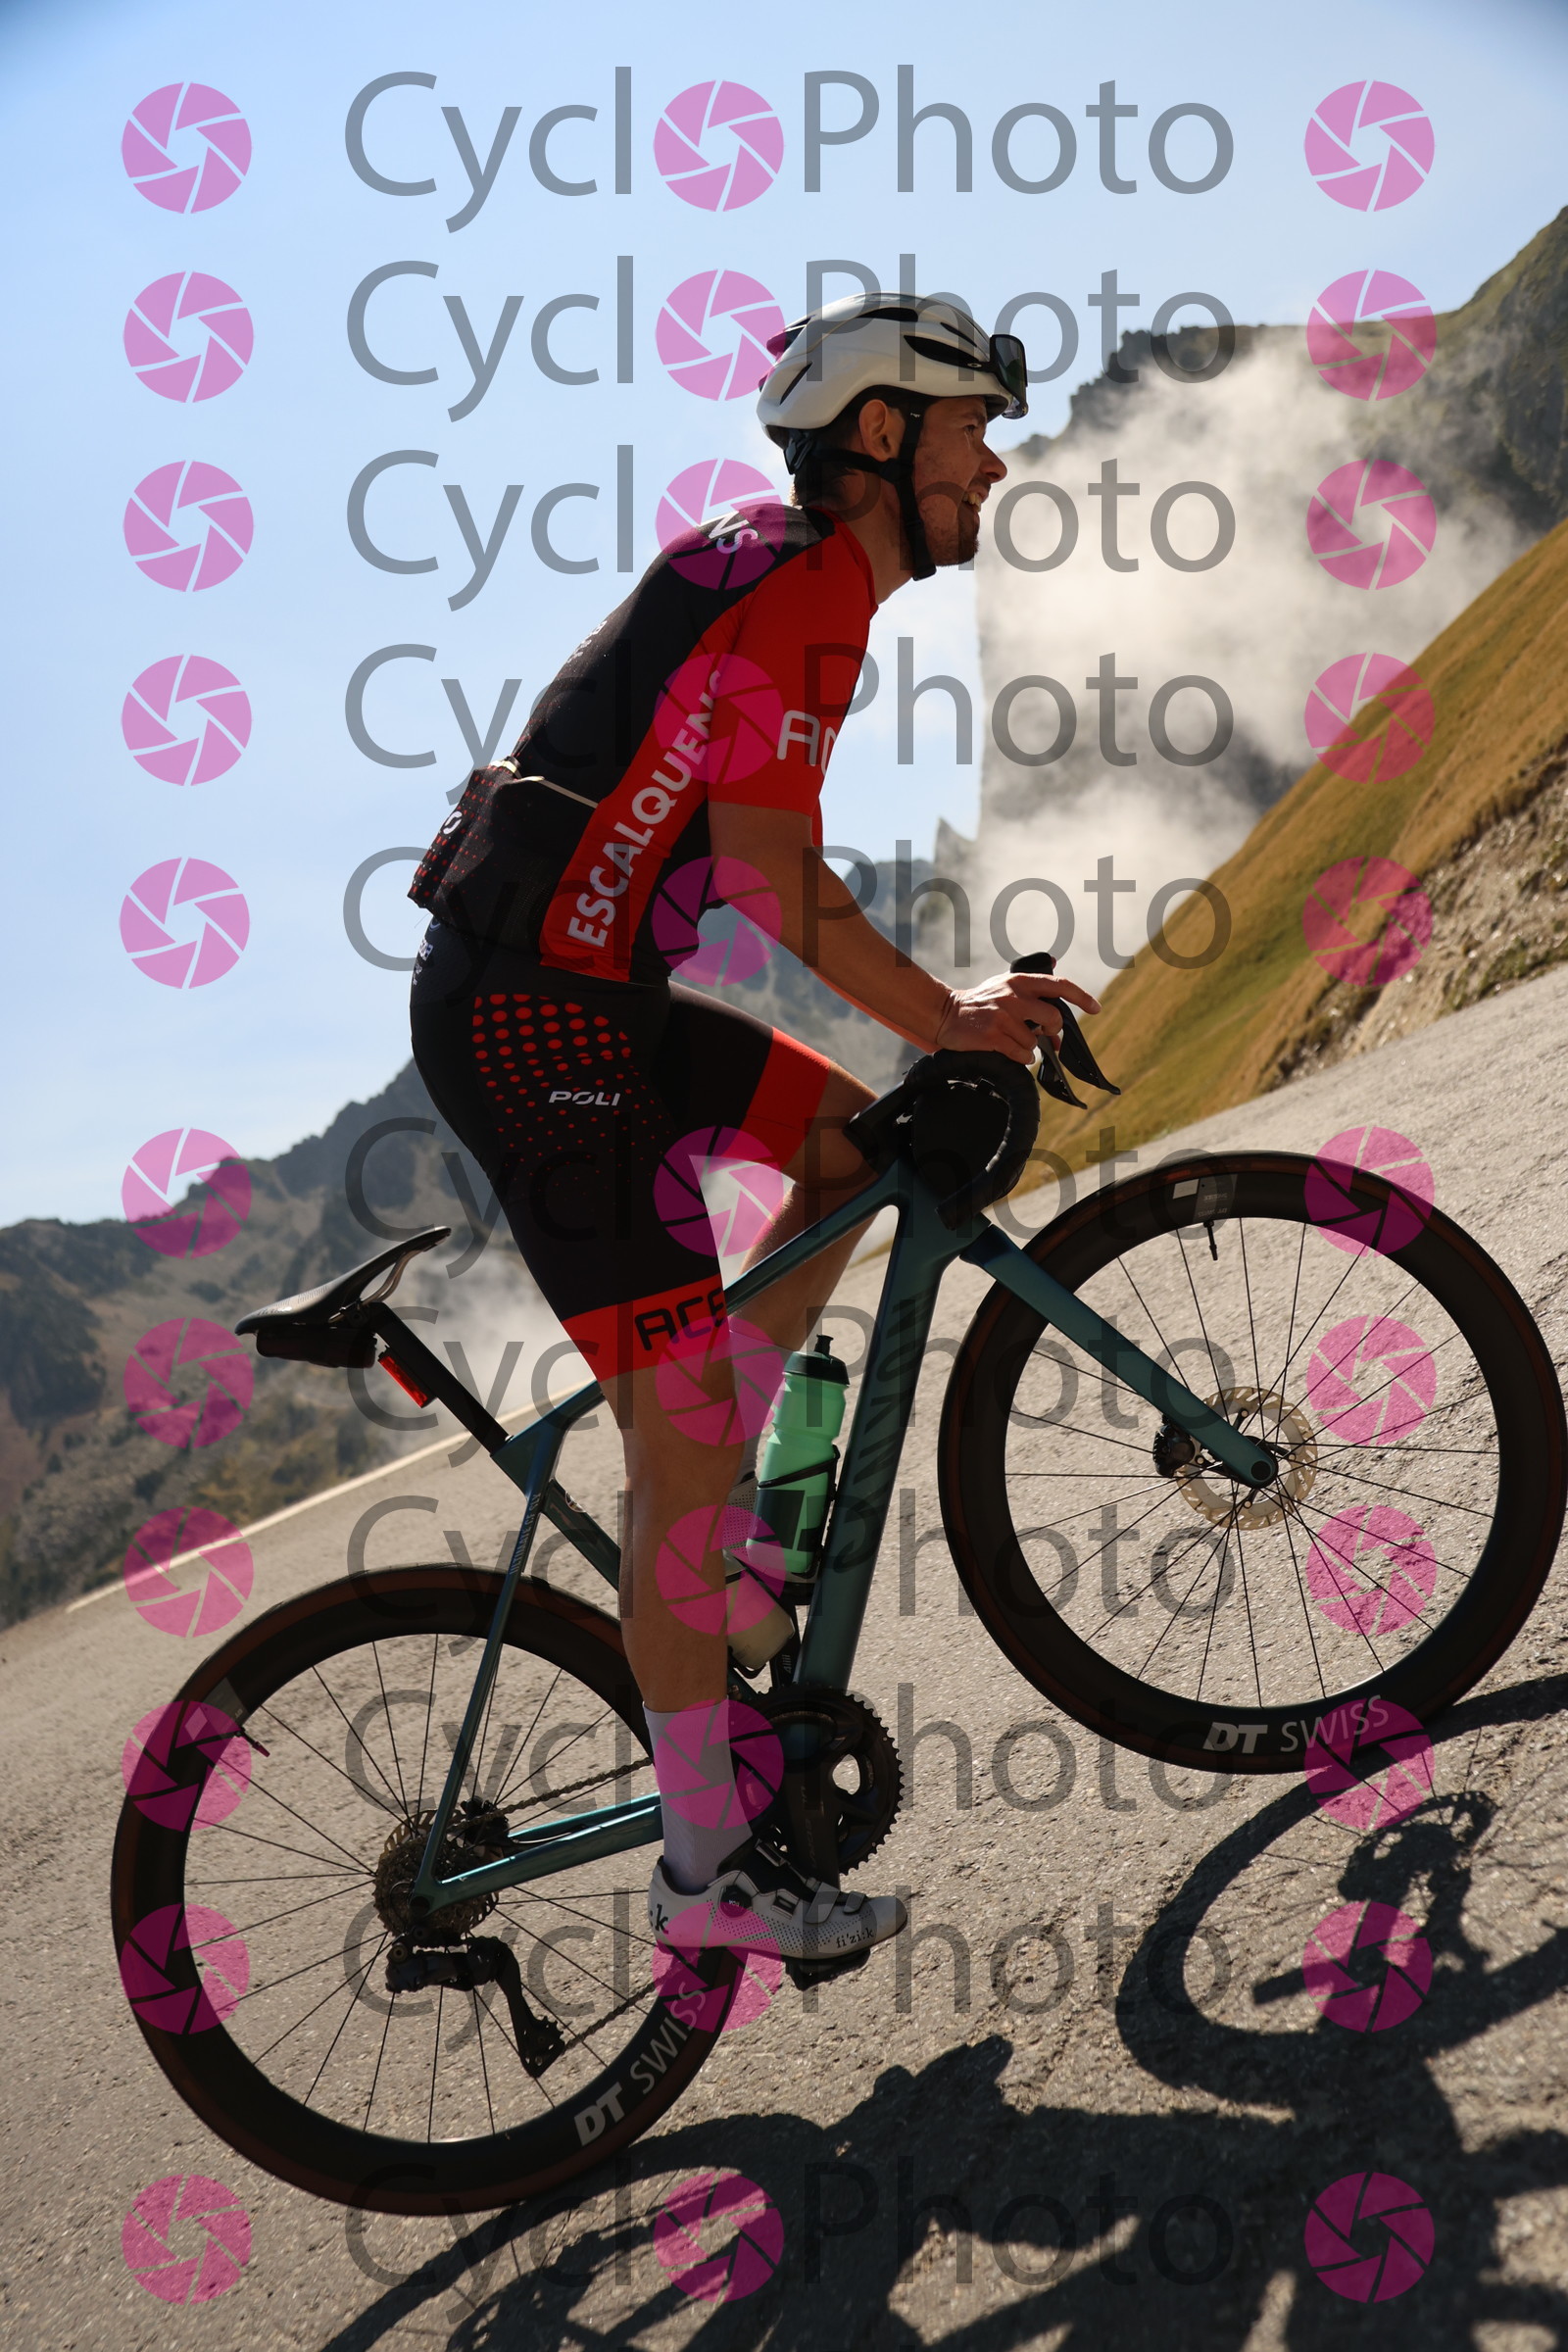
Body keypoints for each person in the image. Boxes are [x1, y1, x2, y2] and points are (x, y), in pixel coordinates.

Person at [407, 293, 1099, 1971]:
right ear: (883, 436)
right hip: (535, 1020)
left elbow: (728, 850)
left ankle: (731, 1524)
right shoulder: (803, 583)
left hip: (598, 999)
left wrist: (926, 1026)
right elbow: (777, 873)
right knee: (685, 1440)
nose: (997, 465)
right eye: (972, 431)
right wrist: (951, 1016)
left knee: (862, 1149)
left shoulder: (780, 571)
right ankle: (708, 1864)